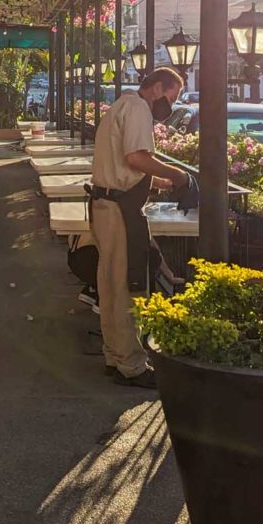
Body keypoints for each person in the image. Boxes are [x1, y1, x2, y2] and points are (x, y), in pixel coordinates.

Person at [89, 67, 188, 388]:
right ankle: (131, 365)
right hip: (120, 212)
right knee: (128, 287)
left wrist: (158, 182)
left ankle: (114, 357)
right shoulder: (138, 109)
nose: (169, 106)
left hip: (106, 205)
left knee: (110, 286)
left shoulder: (122, 104)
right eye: (170, 97)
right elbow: (136, 158)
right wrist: (178, 175)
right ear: (157, 88)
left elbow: (124, 165)